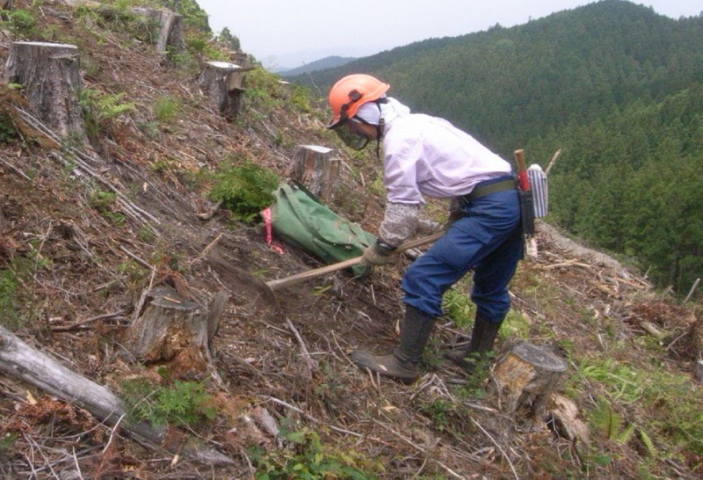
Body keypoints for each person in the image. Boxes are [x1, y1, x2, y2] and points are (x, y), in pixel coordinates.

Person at [327, 74, 524, 383]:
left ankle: (404, 363)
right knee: (491, 286)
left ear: (366, 112)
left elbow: (403, 204)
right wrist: (458, 217)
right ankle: (475, 360)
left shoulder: (399, 140)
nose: (354, 131)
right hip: (511, 200)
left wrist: (383, 246)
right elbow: (466, 172)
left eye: (352, 124)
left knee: (424, 277)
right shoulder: (420, 124)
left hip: (490, 209)